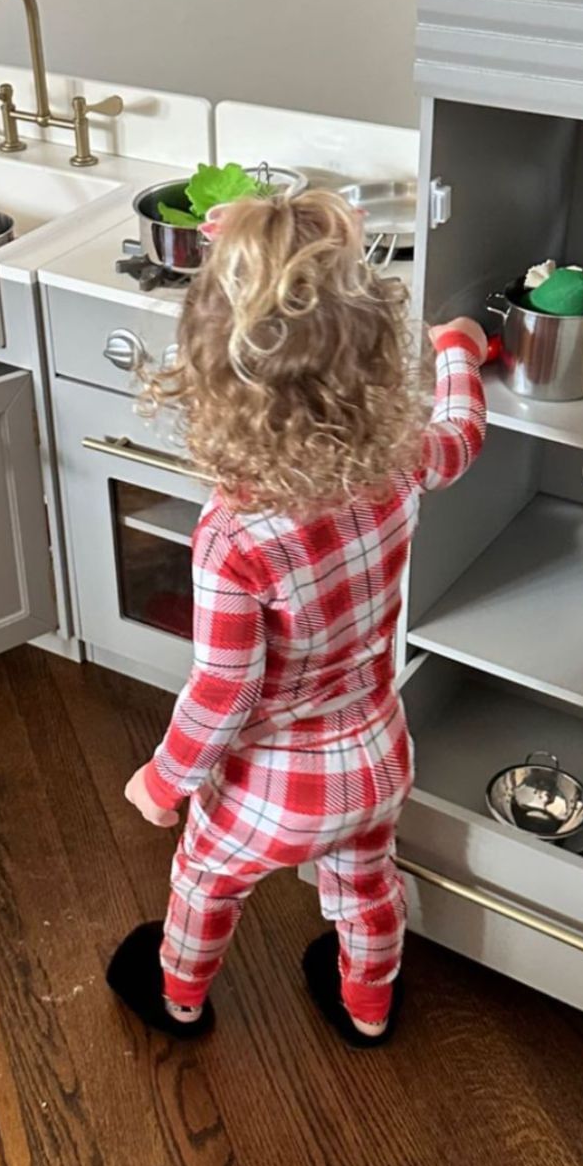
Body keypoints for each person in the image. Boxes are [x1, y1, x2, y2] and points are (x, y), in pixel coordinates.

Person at [106, 189, 487, 1047]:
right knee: (365, 885)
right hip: (379, 754)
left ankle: (178, 998)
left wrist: (162, 783)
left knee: (207, 878)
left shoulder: (235, 538)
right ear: (375, 353)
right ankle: (368, 1007)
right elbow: (459, 436)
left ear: (208, 377)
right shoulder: (395, 461)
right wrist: (457, 352)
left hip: (270, 786)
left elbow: (221, 692)